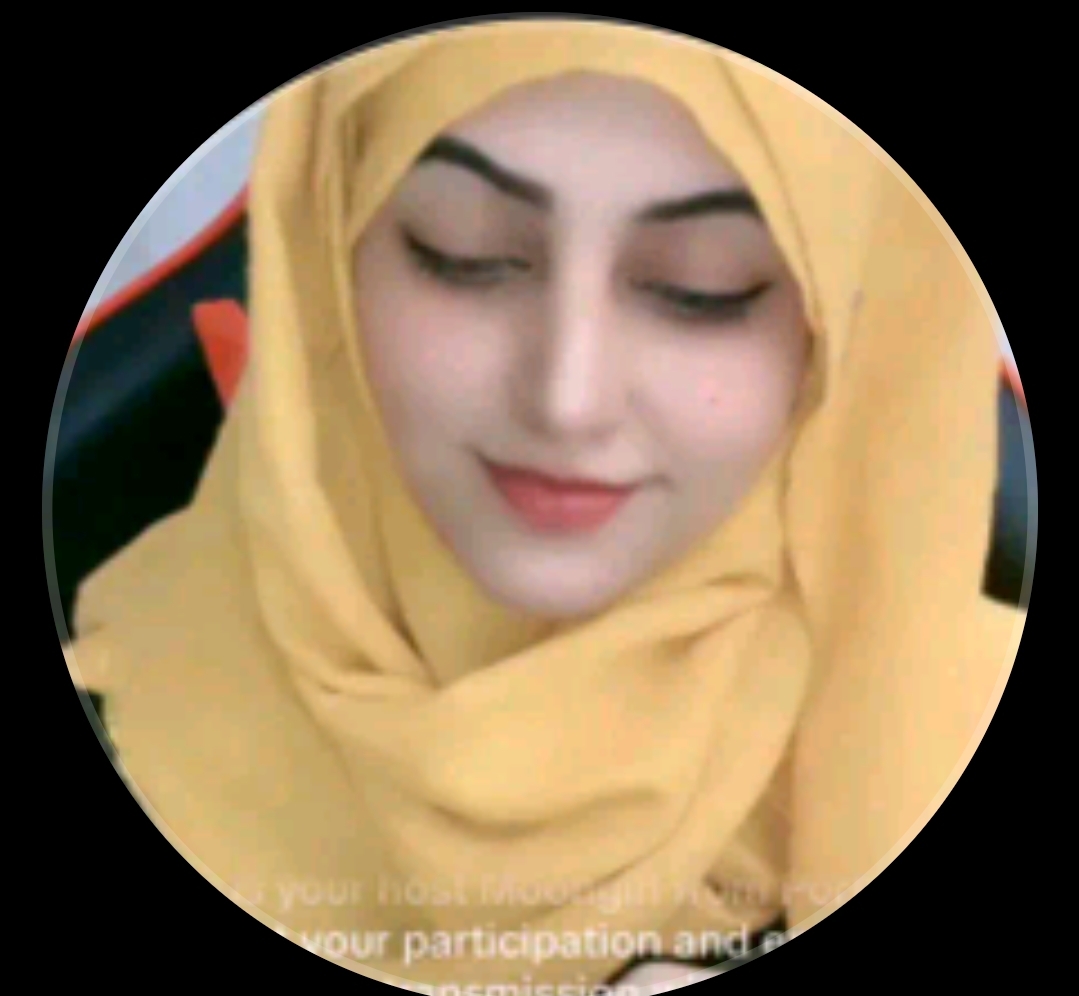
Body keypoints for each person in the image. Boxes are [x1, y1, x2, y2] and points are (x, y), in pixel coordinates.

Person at [62, 20, 1025, 991]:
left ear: (834, 331)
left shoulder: (949, 735)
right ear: (323, 256)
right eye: (463, 252)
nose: (568, 398)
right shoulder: (117, 662)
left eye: (702, 287)